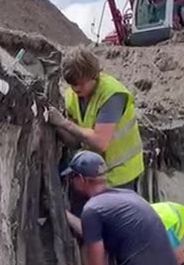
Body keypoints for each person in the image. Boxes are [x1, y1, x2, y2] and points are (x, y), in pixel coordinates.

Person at [47, 46, 143, 193]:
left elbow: (100, 142)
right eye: (72, 84)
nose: (76, 89)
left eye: (81, 83)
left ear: (94, 76)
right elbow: (76, 141)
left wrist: (63, 123)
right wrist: (56, 126)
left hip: (120, 177)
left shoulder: (112, 95)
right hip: (90, 177)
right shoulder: (72, 96)